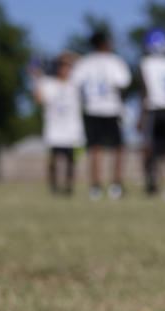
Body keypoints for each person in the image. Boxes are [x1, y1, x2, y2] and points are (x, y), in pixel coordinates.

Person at [70, 30, 132, 200]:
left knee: (94, 148)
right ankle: (116, 184)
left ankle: (95, 185)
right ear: (104, 43)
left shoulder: (84, 63)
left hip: (92, 109)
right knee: (117, 148)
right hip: (111, 109)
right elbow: (123, 84)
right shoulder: (115, 62)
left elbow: (77, 85)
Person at [31, 52, 84, 195]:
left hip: (72, 129)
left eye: (67, 66)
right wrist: (36, 79)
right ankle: (53, 187)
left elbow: (82, 60)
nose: (64, 69)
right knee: (54, 159)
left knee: (71, 160)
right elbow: (38, 99)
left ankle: (68, 187)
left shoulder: (75, 83)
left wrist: (63, 56)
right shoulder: (48, 83)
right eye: (61, 66)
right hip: (54, 129)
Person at [138, 27, 165, 200]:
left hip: (153, 109)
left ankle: (152, 183)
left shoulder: (145, 63)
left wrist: (140, 115)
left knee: (149, 149)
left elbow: (145, 91)